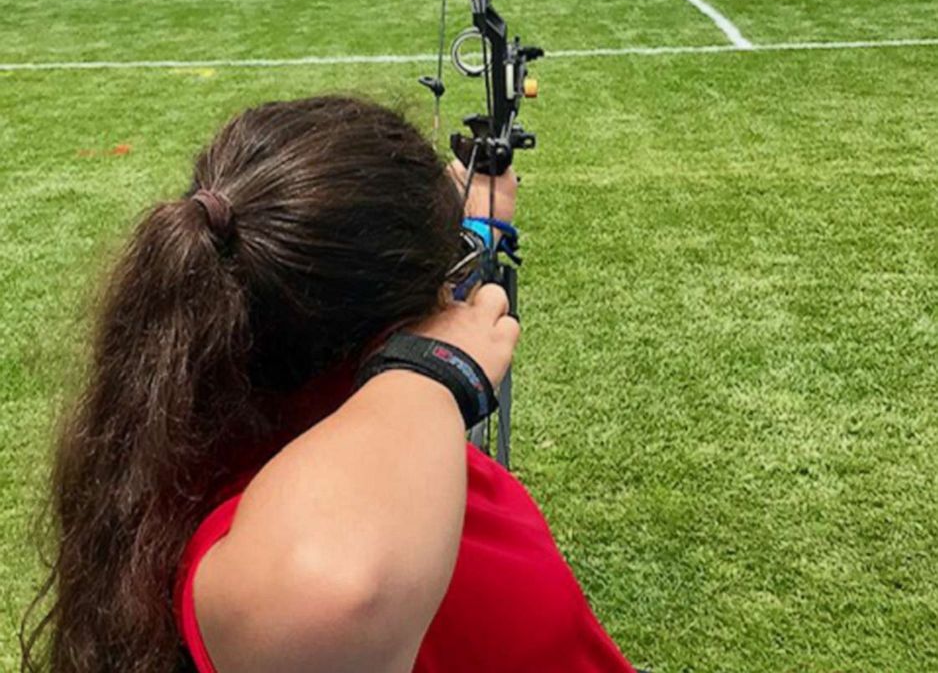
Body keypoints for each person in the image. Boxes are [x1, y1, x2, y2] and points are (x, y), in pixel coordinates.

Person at [21, 95, 638, 673]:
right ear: (395, 335)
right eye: (447, 279)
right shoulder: (244, 538)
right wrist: (436, 372)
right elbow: (336, 587)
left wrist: (475, 235)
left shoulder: (213, 427)